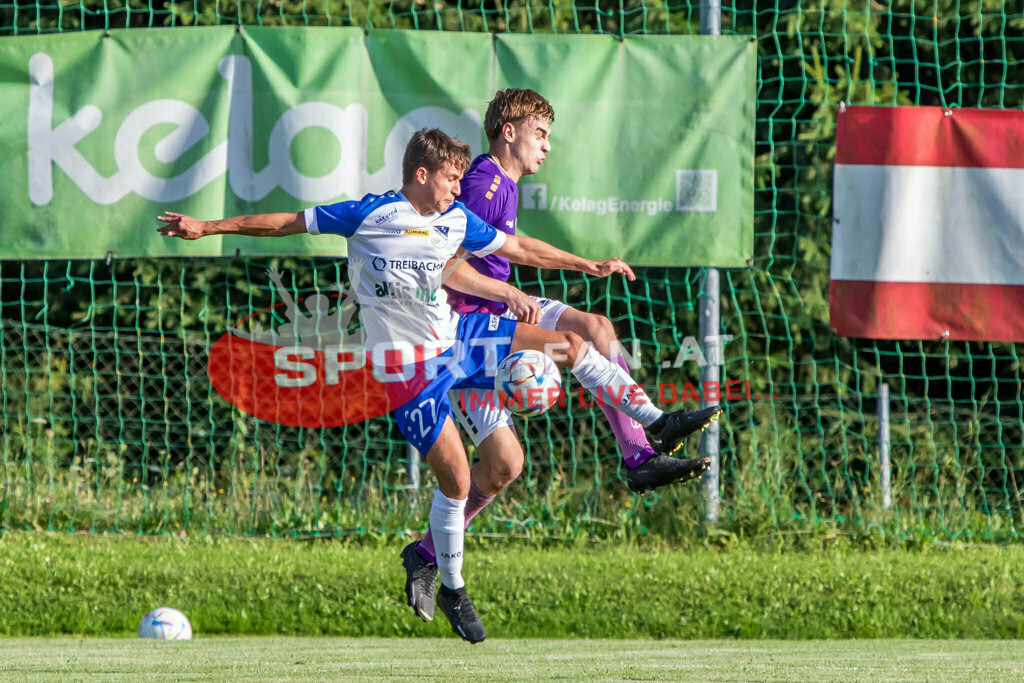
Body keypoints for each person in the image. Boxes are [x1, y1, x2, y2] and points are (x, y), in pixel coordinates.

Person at [158, 128, 715, 644]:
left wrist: (585, 264)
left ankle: (655, 423)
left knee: (569, 346)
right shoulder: (370, 214)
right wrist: (207, 228)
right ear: (422, 175)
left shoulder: (454, 220)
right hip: (407, 371)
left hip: (460, 340)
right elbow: (286, 223)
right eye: (451, 179)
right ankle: (451, 585)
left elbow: (516, 249)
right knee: (457, 476)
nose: (458, 188)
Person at [401, 90, 722, 625]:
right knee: (510, 457)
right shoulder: (482, 183)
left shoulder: (501, 183)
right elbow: (444, 268)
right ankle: (428, 554)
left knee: (595, 327)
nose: (548, 146)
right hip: (467, 335)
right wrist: (506, 296)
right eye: (540, 133)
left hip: (499, 317)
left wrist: (586, 265)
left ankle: (640, 452)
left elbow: (518, 248)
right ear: (510, 131)